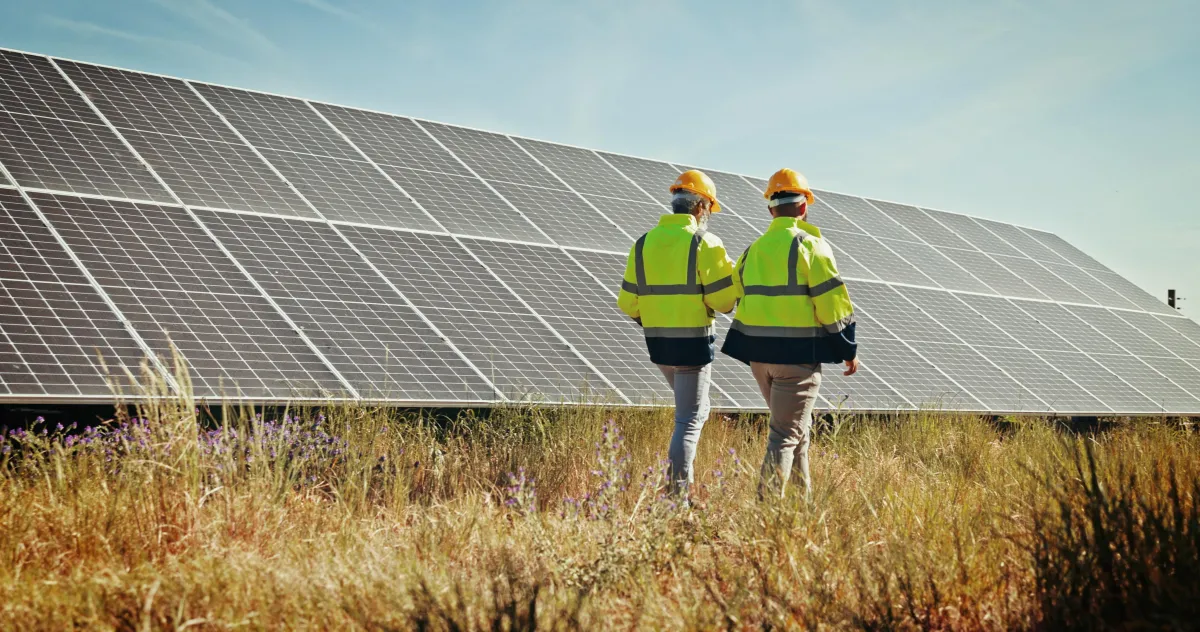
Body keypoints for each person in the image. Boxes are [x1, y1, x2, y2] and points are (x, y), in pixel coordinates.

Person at [721, 168, 860, 500]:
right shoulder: (812, 246)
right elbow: (832, 304)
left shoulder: (752, 250)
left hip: (759, 358)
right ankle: (767, 514)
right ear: (804, 206)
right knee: (785, 433)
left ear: (771, 208)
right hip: (797, 357)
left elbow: (731, 297)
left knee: (798, 430)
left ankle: (802, 505)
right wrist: (847, 347)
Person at [617, 170, 737, 498]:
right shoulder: (704, 243)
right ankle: (675, 499)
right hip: (693, 347)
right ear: (700, 206)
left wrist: (658, 316)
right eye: (709, 207)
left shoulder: (642, 243)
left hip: (660, 347)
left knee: (696, 410)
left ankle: (681, 489)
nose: (709, 214)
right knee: (689, 418)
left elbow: (627, 302)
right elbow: (724, 302)